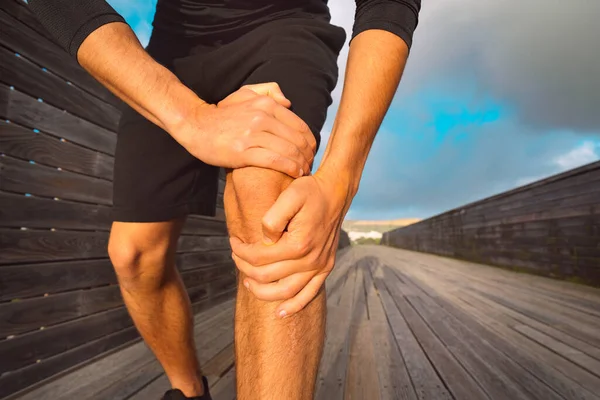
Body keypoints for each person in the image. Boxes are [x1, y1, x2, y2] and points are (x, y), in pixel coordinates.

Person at [28, 0, 420, 399]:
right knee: (134, 255)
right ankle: (190, 391)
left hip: (284, 28)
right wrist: (192, 118)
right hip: (173, 51)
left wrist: (340, 177)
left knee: (271, 219)